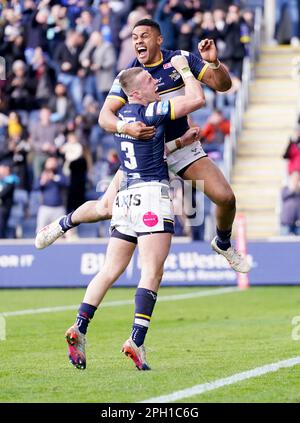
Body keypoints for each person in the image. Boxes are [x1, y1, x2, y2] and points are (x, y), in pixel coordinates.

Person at [35, 19, 250, 274]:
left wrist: (214, 63)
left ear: (159, 39)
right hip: (147, 154)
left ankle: (223, 243)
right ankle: (63, 224)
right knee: (104, 207)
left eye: (144, 35)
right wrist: (125, 127)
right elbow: (105, 116)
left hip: (180, 148)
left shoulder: (180, 58)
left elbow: (223, 86)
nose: (138, 40)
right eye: (134, 36)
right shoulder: (129, 75)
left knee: (226, 198)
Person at [64, 55, 205, 371]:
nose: (156, 82)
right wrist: (184, 68)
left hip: (125, 199)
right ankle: (136, 340)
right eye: (148, 81)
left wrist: (182, 140)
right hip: (151, 196)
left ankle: (80, 326)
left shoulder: (123, 119)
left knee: (109, 270)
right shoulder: (150, 110)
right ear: (136, 92)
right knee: (152, 271)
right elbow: (198, 99)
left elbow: (157, 149)